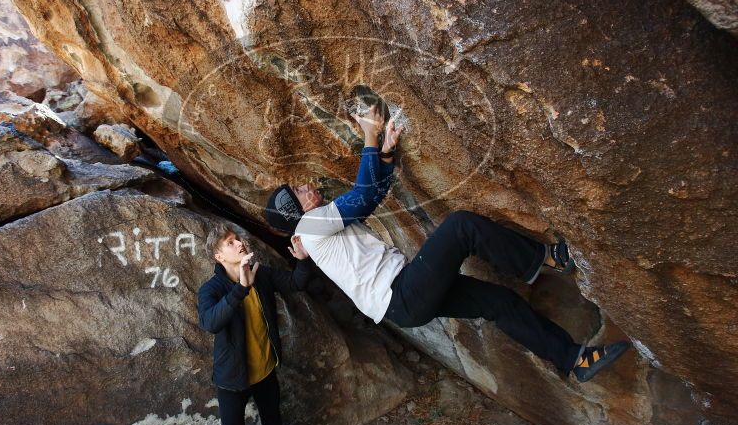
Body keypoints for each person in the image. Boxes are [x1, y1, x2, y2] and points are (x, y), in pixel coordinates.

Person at [264, 103, 628, 383]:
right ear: (296, 210)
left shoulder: (317, 227)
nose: (306, 186)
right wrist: (370, 136)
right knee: (460, 227)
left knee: (499, 302)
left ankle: (574, 360)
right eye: (298, 191)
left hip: (404, 301)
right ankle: (547, 258)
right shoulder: (311, 226)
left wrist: (386, 152)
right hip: (400, 293)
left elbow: (370, 196)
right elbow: (360, 196)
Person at [198, 224, 310, 425]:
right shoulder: (211, 289)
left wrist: (303, 261)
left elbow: (297, 283)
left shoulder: (261, 274)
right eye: (230, 242)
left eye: (238, 238)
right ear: (218, 256)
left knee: (273, 421)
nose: (239, 243)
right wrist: (240, 289)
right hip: (233, 381)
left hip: (265, 370)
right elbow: (210, 322)